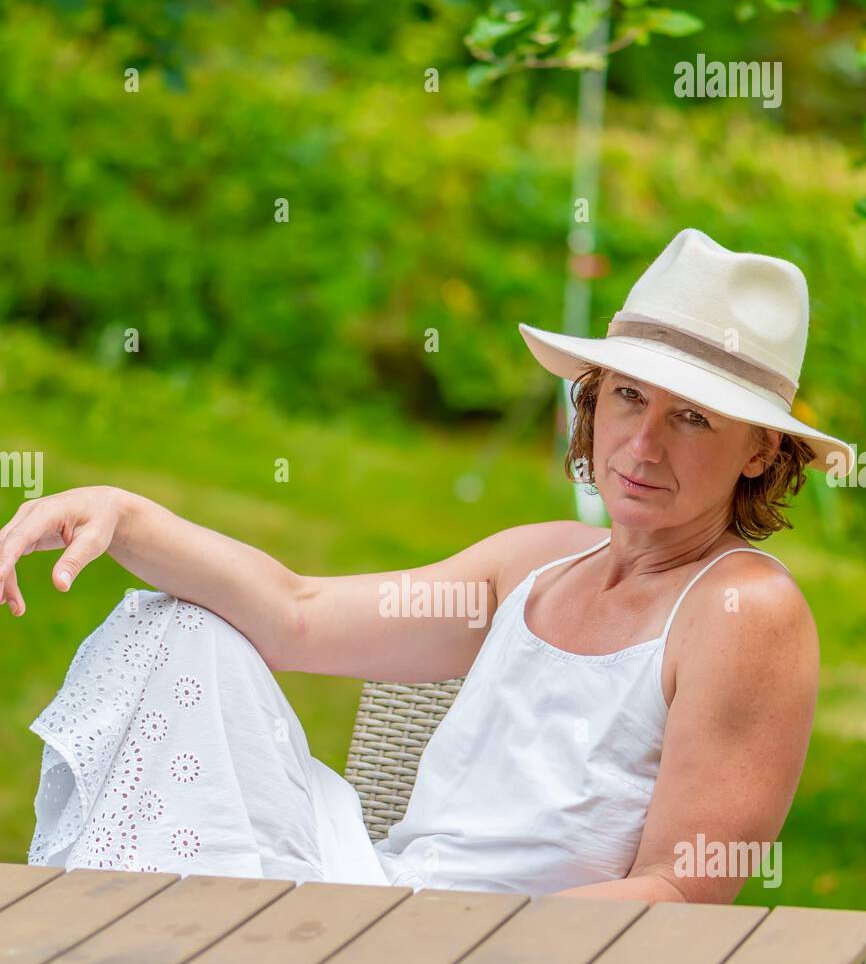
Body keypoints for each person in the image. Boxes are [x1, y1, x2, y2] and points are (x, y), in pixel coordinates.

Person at [0, 228, 854, 903]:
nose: (641, 443)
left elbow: (679, 891)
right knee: (173, 629)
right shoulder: (541, 562)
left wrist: (461, 952)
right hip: (384, 895)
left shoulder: (744, 609)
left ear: (759, 452)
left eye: (694, 419)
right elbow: (293, 614)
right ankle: (140, 963)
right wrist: (122, 513)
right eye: (629, 396)